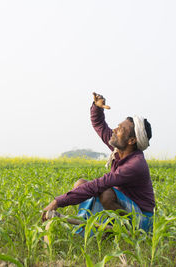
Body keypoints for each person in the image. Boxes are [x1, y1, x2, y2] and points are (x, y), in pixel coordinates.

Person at [42, 92, 155, 231]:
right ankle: (91, 227)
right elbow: (99, 125)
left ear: (131, 141)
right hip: (126, 207)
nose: (114, 130)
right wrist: (97, 107)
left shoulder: (135, 164)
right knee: (80, 184)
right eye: (117, 126)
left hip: (143, 219)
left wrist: (57, 202)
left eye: (120, 129)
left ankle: (128, 231)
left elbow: (100, 185)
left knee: (105, 192)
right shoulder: (119, 149)